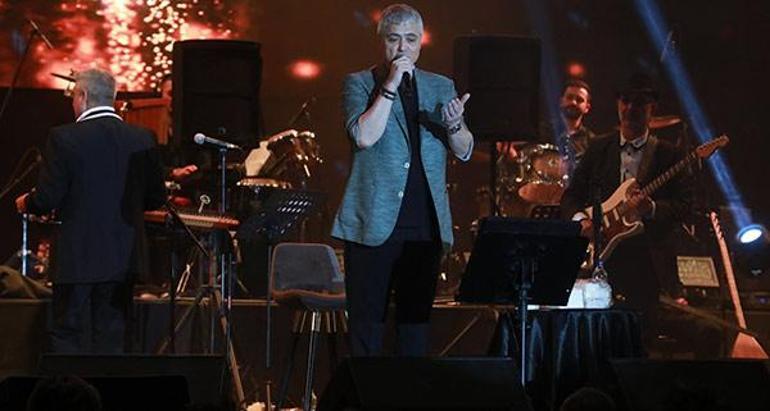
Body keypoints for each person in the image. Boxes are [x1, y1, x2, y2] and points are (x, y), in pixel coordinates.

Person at [332, 3, 474, 356]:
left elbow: (464, 149)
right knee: (366, 333)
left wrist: (454, 124)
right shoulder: (359, 83)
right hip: (373, 224)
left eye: (410, 39)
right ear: (381, 41)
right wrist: (391, 84)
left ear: (420, 42)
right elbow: (364, 136)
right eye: (394, 39)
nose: (402, 48)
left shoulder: (440, 85)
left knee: (414, 334)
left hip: (425, 226)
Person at [15, 68, 166, 353]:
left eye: (73, 97)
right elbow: (157, 197)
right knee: (113, 339)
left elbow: (47, 198)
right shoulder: (143, 137)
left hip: (77, 257)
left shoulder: (64, 137)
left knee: (68, 337)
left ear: (82, 96)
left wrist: (28, 202)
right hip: (124, 258)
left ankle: (71, 384)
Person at [560, 73, 691, 343]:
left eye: (639, 103)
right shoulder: (598, 148)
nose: (630, 108)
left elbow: (686, 207)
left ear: (652, 108)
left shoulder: (668, 154)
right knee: (596, 339)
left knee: (640, 341)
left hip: (648, 264)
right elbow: (571, 196)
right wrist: (581, 220)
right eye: (625, 101)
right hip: (602, 261)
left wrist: (651, 208)